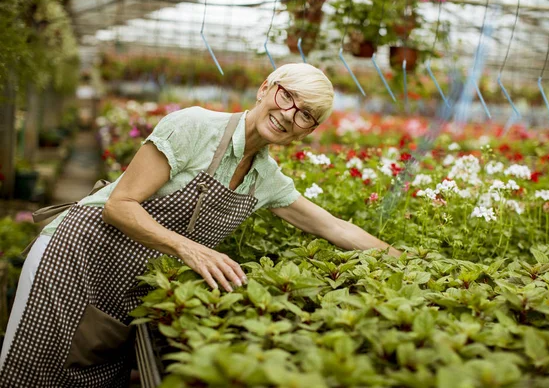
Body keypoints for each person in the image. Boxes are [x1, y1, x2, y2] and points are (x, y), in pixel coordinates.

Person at [0, 63, 401, 387]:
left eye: (305, 115)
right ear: (266, 88)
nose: (289, 114)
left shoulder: (266, 178)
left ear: (308, 132)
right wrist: (187, 248)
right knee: (33, 373)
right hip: (74, 259)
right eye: (287, 96)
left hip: (126, 289)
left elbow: (334, 228)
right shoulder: (194, 126)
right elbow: (120, 207)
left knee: (93, 377)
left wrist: (403, 259)